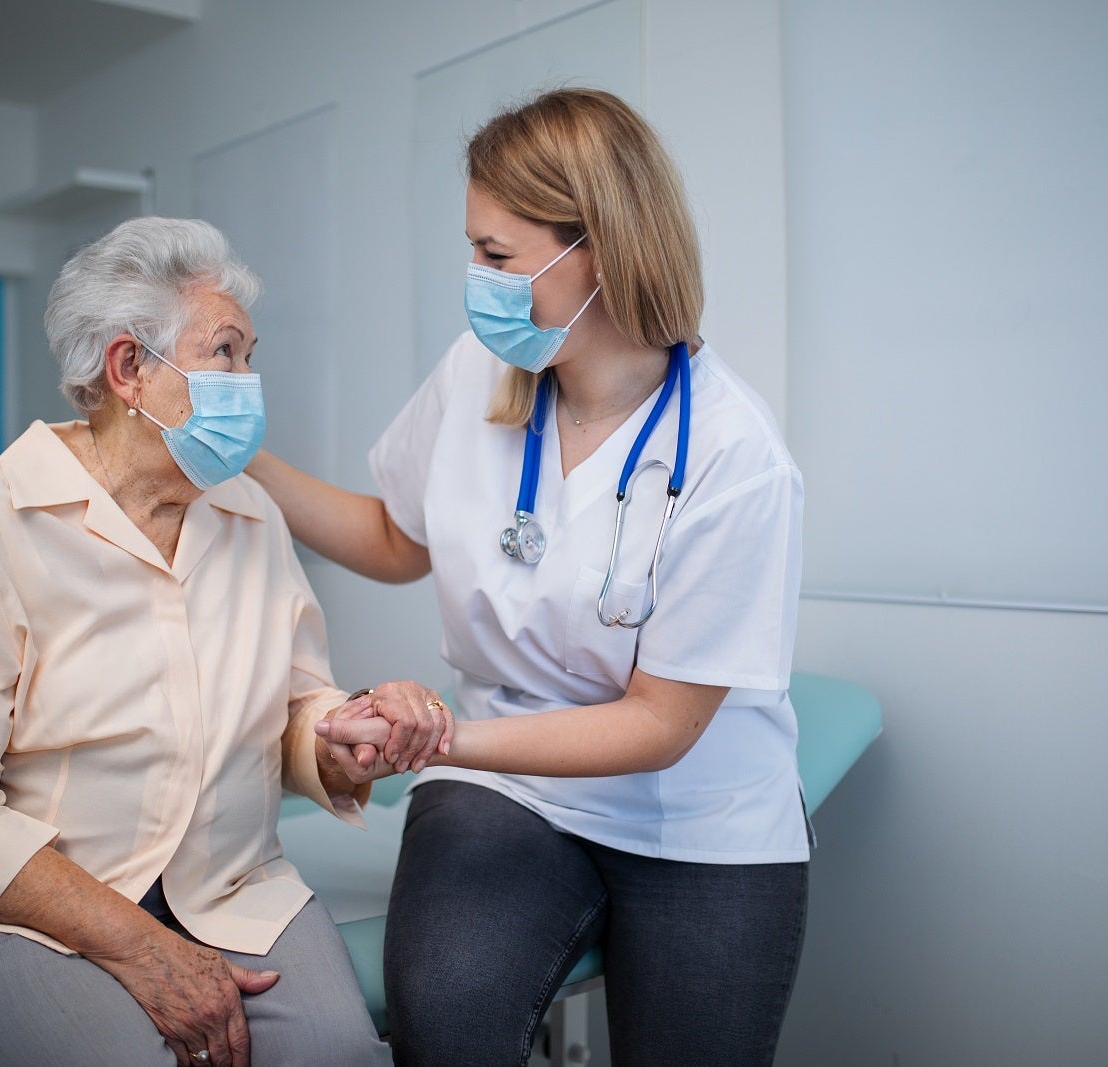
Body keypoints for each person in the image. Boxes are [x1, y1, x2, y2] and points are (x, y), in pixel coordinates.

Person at [251, 88, 808, 1066]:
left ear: (597, 246)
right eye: (473, 248)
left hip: (698, 815)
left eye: (498, 255)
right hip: (506, 787)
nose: (476, 280)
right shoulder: (477, 371)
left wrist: (440, 735)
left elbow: (659, 724)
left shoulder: (733, 456)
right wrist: (245, 464)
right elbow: (395, 536)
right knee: (445, 1021)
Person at [0, 217, 447, 1067]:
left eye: (251, 355)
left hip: (222, 884)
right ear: (129, 367)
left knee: (341, 1055)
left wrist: (345, 739)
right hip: (13, 912)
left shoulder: (250, 512)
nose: (248, 381)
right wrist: (141, 947)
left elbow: (293, 708)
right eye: (226, 352)